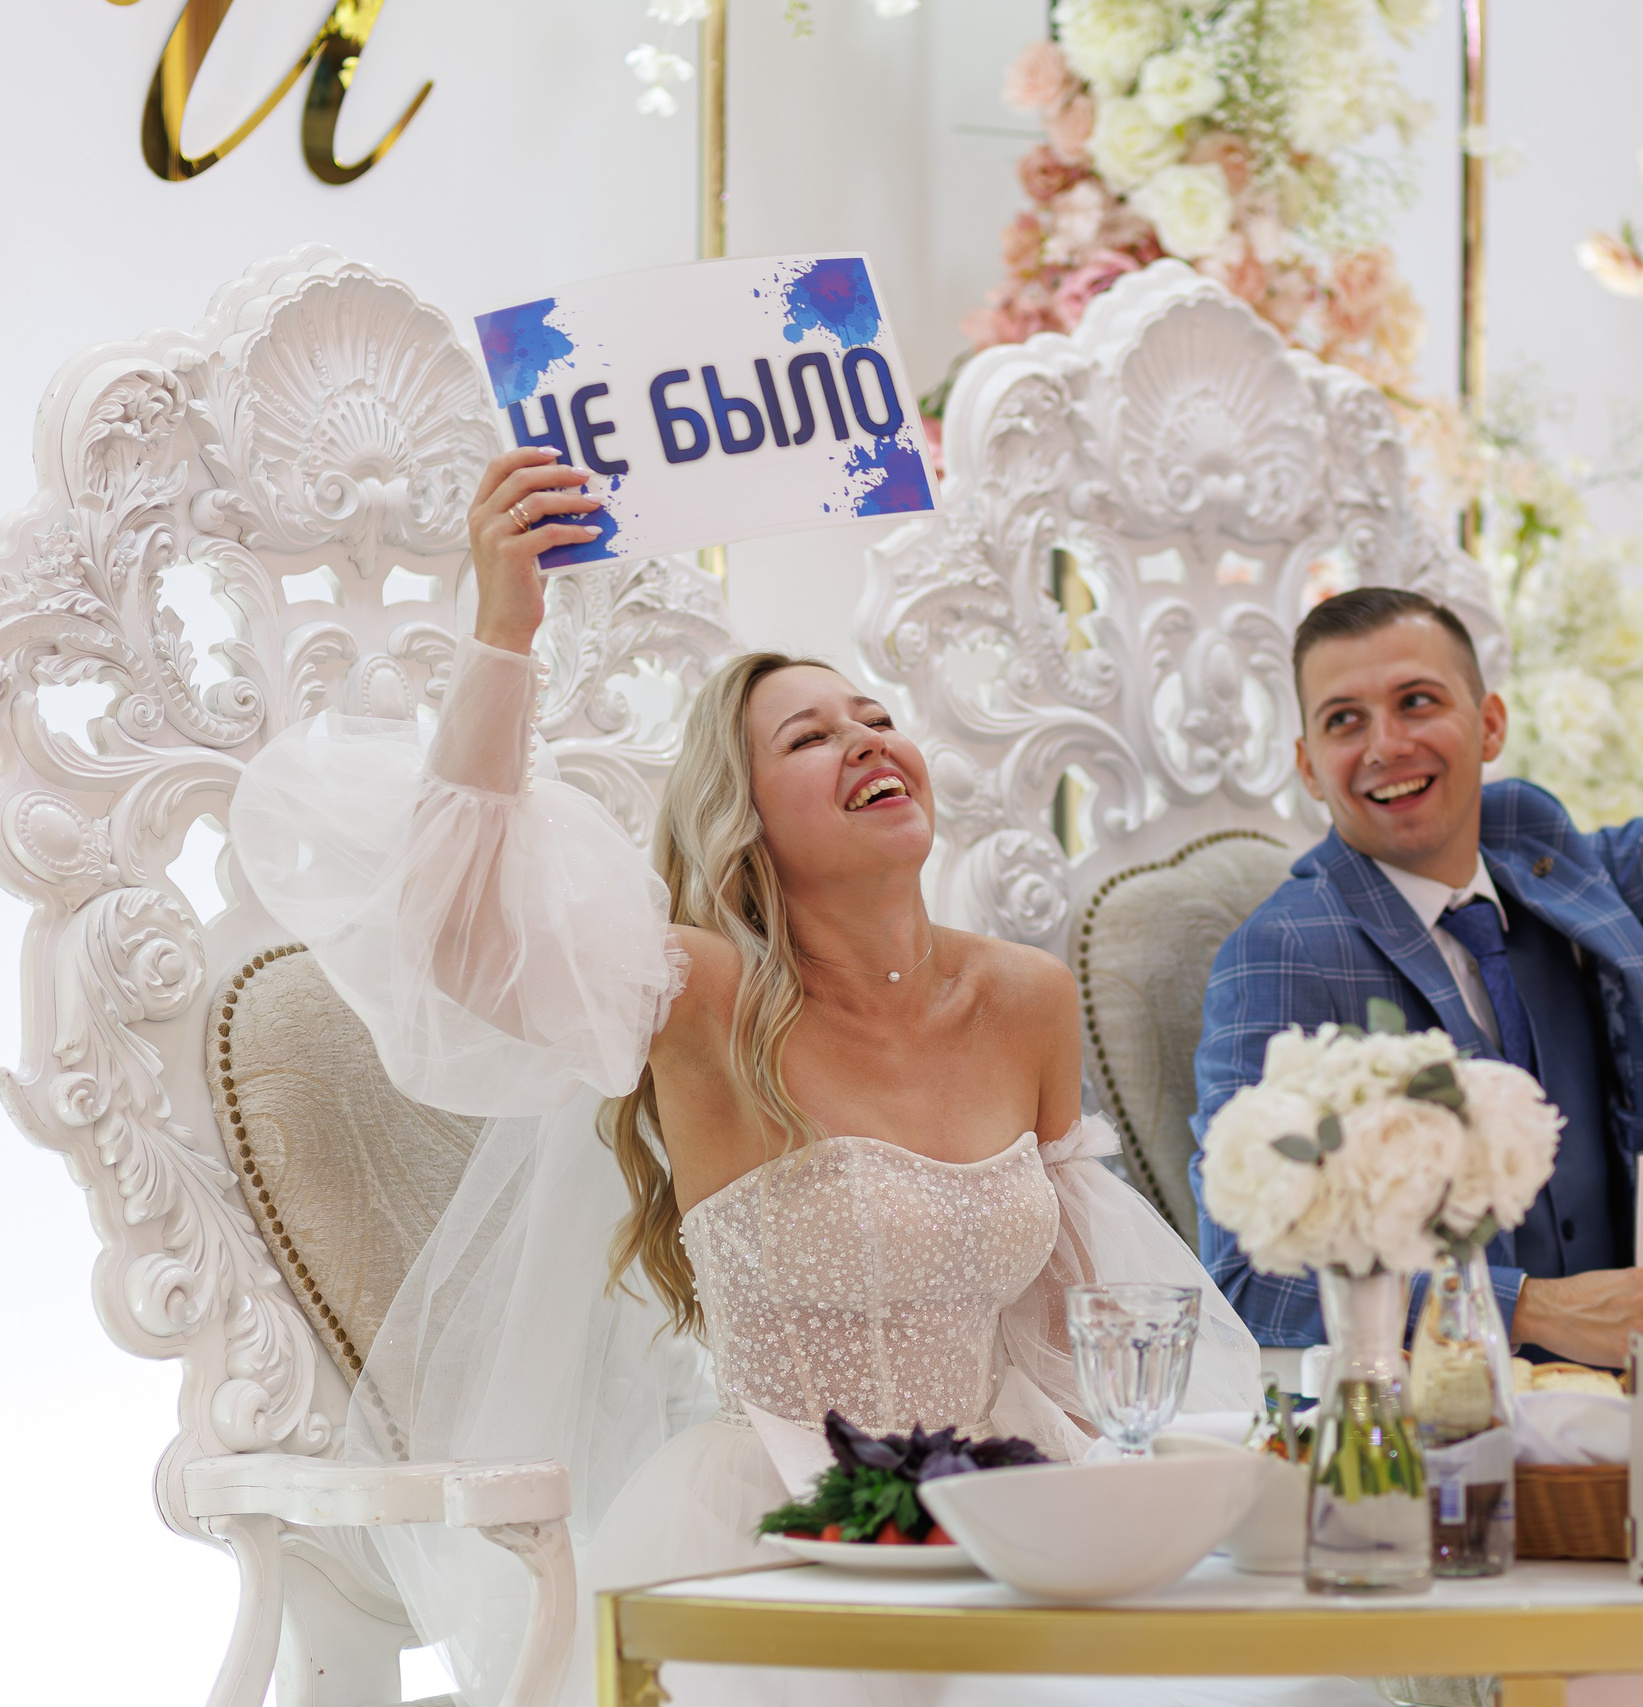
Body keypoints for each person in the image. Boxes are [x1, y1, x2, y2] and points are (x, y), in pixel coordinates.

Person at [230, 447, 1360, 1707]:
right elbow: (456, 935)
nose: (867, 741)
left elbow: (1077, 1315)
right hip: (769, 1520)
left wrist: (1162, 1485)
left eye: (875, 718)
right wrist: (505, 623)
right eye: (809, 738)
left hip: (1015, 1503)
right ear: (746, 818)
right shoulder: (698, 993)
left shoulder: (1024, 997)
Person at [1190, 446, 1643, 1367]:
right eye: (1343, 720)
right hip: (1455, 1434)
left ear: (1489, 723)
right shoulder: (1281, 954)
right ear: (1308, 766)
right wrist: (1530, 1308)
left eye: (1417, 701)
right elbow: (1247, 1280)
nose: (1385, 744)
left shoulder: (1547, 867)